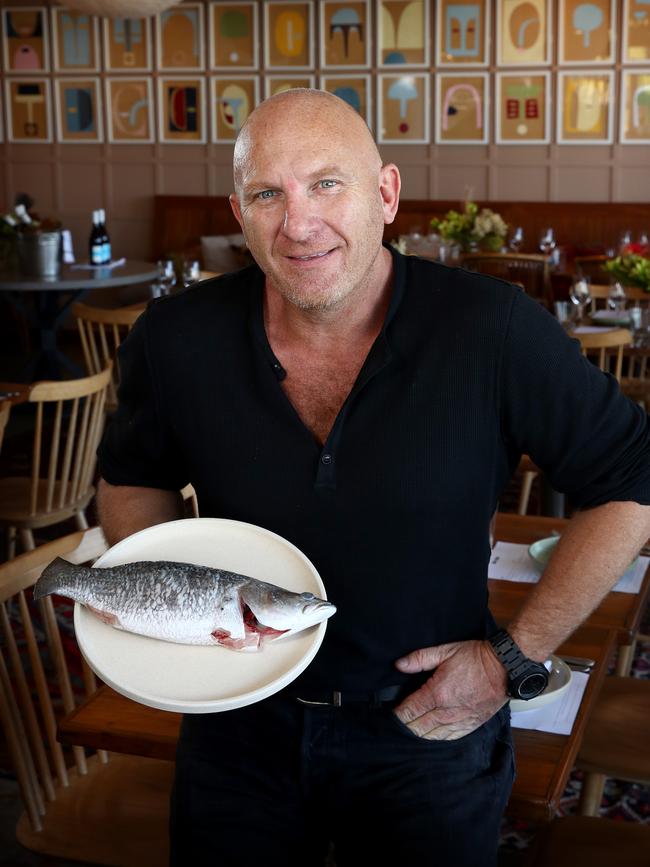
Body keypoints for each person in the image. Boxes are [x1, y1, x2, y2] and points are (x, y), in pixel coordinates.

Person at [96, 89, 650, 867]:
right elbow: (130, 483)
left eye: (327, 183)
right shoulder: (174, 339)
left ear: (386, 194)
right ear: (239, 211)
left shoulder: (492, 329)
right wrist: (167, 608)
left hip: (429, 730)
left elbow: (632, 481)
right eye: (267, 193)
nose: (298, 222)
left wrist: (511, 659)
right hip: (235, 727)